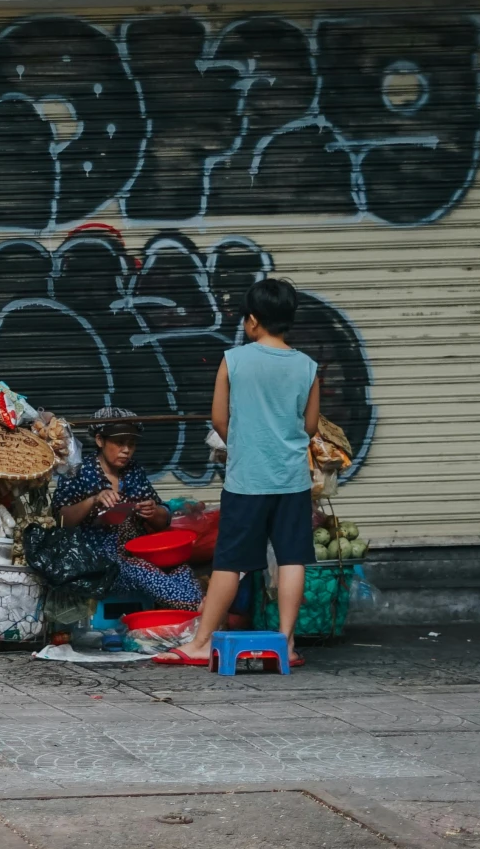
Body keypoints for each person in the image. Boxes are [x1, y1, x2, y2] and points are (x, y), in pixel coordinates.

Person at [158, 277, 322, 668]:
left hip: (247, 478)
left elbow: (219, 419)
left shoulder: (234, 360)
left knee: (229, 562)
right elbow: (311, 426)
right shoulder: (308, 366)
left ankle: (200, 644)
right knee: (291, 558)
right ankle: (286, 642)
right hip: (291, 480)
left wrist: (246, 443)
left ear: (252, 321)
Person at [55, 407, 202, 608]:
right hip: (97, 561)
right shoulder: (79, 472)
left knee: (180, 570)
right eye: (119, 443)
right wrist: (93, 500)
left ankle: (189, 617)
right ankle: (196, 610)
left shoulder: (134, 471)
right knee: (140, 570)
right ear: (100, 440)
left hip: (137, 553)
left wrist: (154, 512)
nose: (126, 450)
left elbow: (162, 520)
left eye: (131, 444)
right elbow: (62, 520)